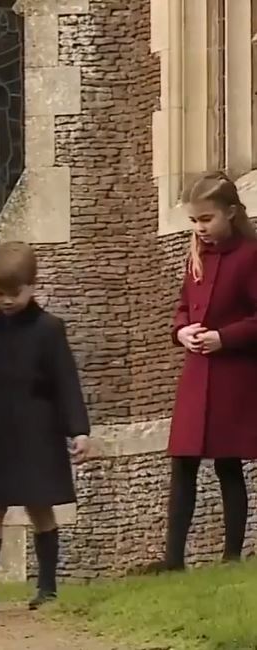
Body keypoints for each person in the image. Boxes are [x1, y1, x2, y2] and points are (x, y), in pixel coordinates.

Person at [0, 242, 91, 613]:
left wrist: (79, 430)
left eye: (13, 293)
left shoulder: (50, 329)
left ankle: (47, 586)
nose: (5, 300)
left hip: (39, 431)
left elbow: (67, 382)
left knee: (40, 508)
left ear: (33, 285)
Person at [160, 171, 257, 571]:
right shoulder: (194, 255)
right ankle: (173, 560)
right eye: (193, 221)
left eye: (206, 219)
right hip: (197, 374)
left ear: (230, 213)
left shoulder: (251, 256)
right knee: (182, 463)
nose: (199, 228)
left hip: (234, 376)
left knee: (228, 463)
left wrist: (224, 338)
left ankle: (232, 555)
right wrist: (182, 331)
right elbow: (183, 306)